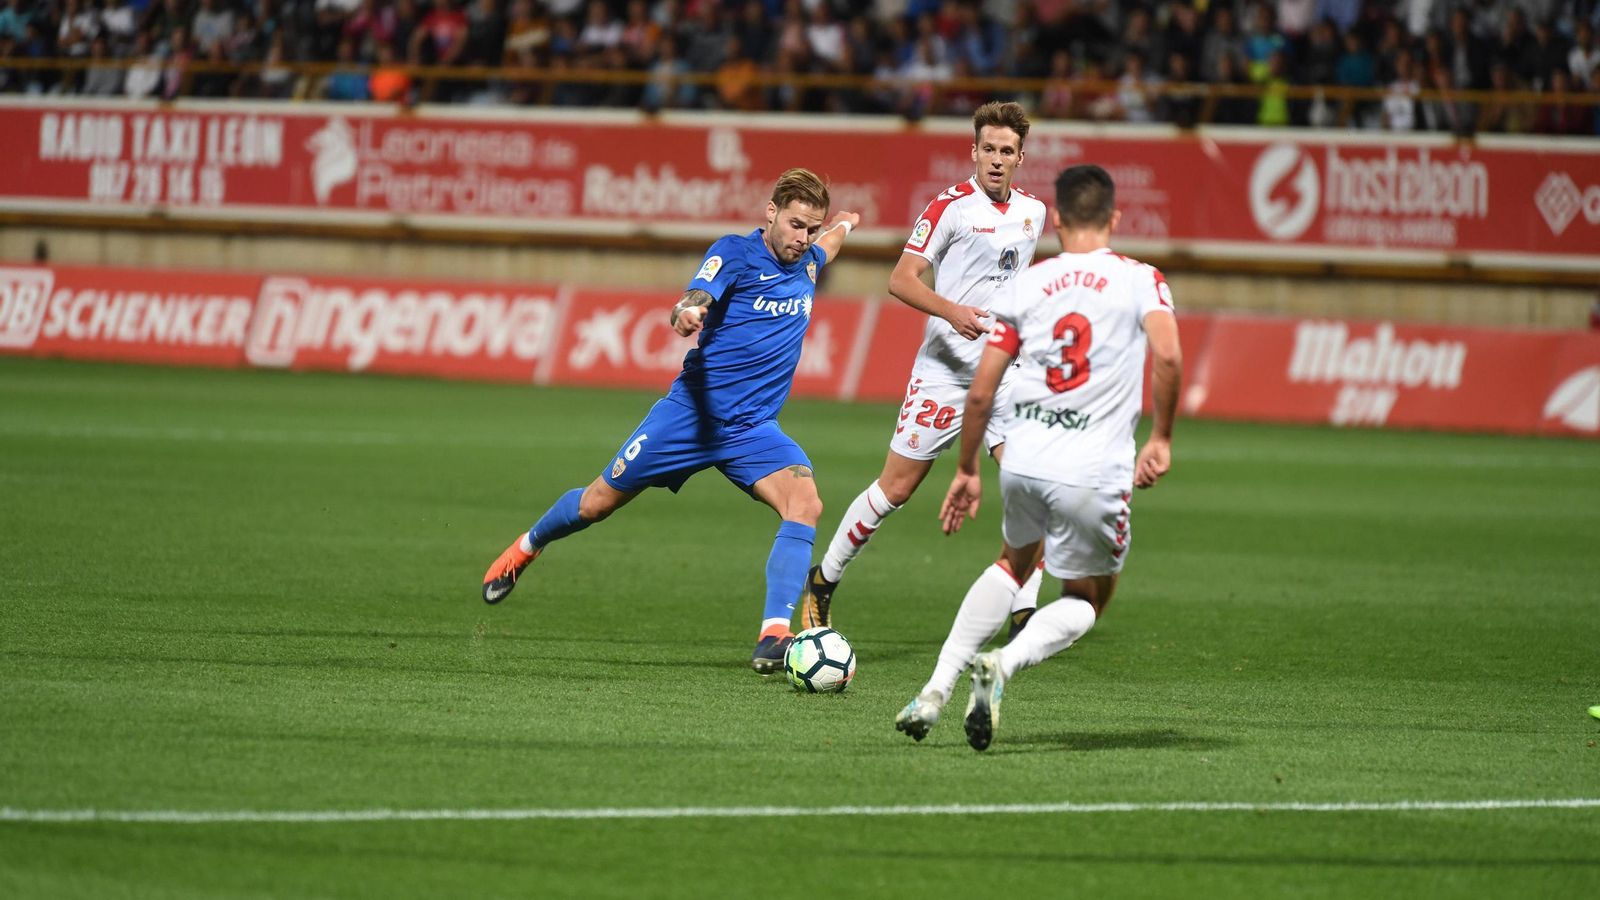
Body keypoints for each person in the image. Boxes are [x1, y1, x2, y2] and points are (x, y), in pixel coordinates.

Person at [481, 169, 860, 674]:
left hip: (752, 430)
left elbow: (831, 243)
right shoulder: (735, 253)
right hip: (689, 418)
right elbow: (697, 295)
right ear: (770, 213)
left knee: (806, 502)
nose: (802, 238)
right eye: (794, 224)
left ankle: (774, 635)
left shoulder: (811, 260)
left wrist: (845, 226)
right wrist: (687, 313)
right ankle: (524, 549)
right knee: (596, 504)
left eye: (811, 229)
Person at [894, 164, 1182, 751]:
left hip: (1025, 455)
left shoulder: (1029, 285)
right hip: (1094, 466)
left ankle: (934, 688)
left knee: (1011, 563)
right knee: (1086, 597)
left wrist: (969, 468)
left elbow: (982, 388)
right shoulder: (1141, 280)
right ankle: (1003, 664)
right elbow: (1170, 358)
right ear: (1114, 218)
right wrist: (1161, 438)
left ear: (1055, 219)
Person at [800, 101, 1048, 637]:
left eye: (1007, 151)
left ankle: (1025, 605)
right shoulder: (949, 208)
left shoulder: (1035, 212)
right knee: (895, 489)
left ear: (1021, 157)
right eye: (989, 150)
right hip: (945, 373)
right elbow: (902, 278)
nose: (997, 160)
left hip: (1005, 374)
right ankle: (824, 579)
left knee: (1032, 480)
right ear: (973, 151)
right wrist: (953, 311)